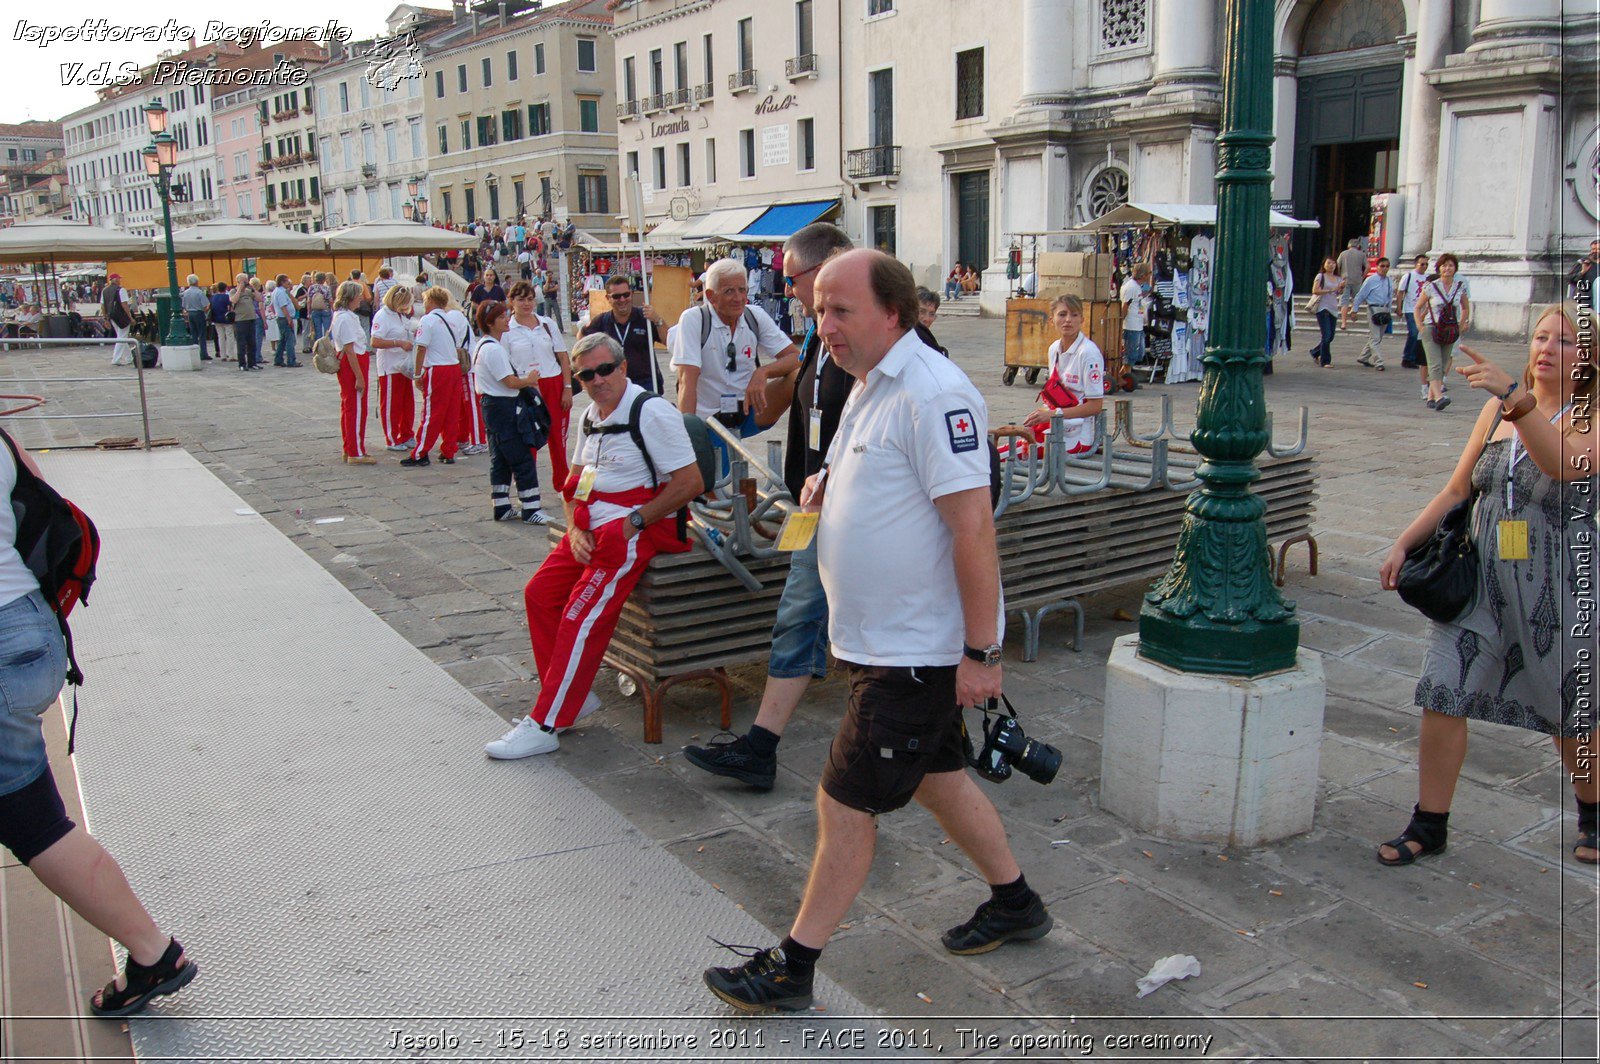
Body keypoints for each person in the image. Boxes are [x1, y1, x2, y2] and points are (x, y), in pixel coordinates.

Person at [702, 250, 1049, 1013]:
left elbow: (974, 531)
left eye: (840, 309)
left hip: (914, 654)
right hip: (873, 643)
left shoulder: (933, 392)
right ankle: (1016, 901)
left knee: (842, 800)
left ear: (893, 313)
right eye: (817, 309)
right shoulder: (866, 383)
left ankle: (794, 964)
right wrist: (834, 484)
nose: (823, 325)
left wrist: (982, 654)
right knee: (939, 779)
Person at [1376, 301, 1597, 867]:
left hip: (1559, 589)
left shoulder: (1587, 416)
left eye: (1565, 341)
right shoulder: (1498, 414)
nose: (1547, 348)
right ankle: (1430, 823)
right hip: (1483, 585)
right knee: (1442, 691)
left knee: (1567, 710)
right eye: (1542, 337)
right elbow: (1456, 491)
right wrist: (1404, 541)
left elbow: (1562, 466)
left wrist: (1516, 401)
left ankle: (1594, 811)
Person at [0, 430, 200, 1016]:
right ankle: (151, 952)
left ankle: (153, 950)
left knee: (35, 825)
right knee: (35, 819)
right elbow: (40, 497)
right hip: (30, 631)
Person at [686, 224, 853, 789]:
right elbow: (793, 389)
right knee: (801, 612)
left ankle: (763, 746)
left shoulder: (862, 339)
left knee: (803, 612)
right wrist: (767, 373)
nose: (786, 291)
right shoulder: (819, 334)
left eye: (791, 279)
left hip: (842, 506)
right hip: (812, 501)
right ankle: (763, 746)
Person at [484, 334, 704, 759]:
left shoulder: (651, 412)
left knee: (579, 616)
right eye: (586, 374)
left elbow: (690, 482)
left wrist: (633, 523)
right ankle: (572, 696)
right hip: (591, 527)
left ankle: (546, 722)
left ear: (623, 367)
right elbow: (576, 481)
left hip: (630, 532)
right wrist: (573, 527)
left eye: (605, 369)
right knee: (539, 595)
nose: (597, 380)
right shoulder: (591, 416)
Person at [669, 258, 800, 470]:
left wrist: (763, 372)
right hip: (709, 418)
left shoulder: (753, 315)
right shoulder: (695, 320)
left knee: (800, 376)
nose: (739, 298)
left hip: (747, 409)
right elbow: (687, 382)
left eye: (742, 290)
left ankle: (805, 451)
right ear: (710, 296)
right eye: (729, 291)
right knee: (716, 491)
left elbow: (797, 357)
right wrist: (689, 437)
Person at [472, 299, 549, 524]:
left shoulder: (483, 345)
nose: (507, 320)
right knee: (521, 457)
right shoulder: (493, 349)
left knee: (501, 458)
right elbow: (509, 381)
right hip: (504, 407)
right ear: (490, 322)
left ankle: (502, 504)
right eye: (501, 317)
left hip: (492, 407)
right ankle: (531, 508)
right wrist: (529, 380)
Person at [506, 279, 572, 492]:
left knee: (557, 439)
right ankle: (527, 486)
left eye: (530, 299)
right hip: (525, 386)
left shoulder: (547, 324)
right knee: (527, 438)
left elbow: (563, 357)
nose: (526, 304)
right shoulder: (506, 329)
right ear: (511, 301)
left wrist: (567, 388)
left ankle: (562, 485)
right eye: (521, 299)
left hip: (552, 382)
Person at [1023, 294, 1105, 454]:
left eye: (1074, 315)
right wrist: (1039, 417)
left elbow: (1096, 406)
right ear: (1051, 319)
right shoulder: (1054, 349)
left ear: (1082, 319)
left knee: (1011, 454)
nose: (1068, 320)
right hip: (1054, 425)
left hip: (1077, 436)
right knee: (1014, 443)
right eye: (1062, 314)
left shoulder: (1088, 353)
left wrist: (1053, 414)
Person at [404, 287, 466, 467]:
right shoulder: (451, 320)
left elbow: (421, 348)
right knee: (451, 412)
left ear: (430, 301)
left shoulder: (428, 320)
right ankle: (448, 450)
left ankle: (420, 452)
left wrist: (417, 374)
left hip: (438, 369)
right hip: (453, 367)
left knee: (432, 412)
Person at [580, 275, 668, 392]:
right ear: (608, 298)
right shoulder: (602, 321)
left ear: (631, 294)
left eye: (626, 295)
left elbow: (668, 341)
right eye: (616, 296)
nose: (622, 300)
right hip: (614, 383)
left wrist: (658, 320)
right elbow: (581, 337)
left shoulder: (645, 317)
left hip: (646, 382)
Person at [1415, 253, 1472, 411]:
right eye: (1444, 265)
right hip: (1431, 327)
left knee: (1444, 362)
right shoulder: (1431, 286)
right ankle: (1439, 396)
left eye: (1450, 265)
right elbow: (1418, 306)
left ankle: (1430, 397)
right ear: (1439, 268)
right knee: (1434, 363)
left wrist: (1461, 324)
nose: (1447, 268)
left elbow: (1466, 307)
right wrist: (1420, 325)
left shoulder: (1460, 287)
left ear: (1455, 268)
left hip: (1450, 329)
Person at [330, 281, 375, 464]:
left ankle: (351, 447)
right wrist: (359, 377)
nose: (361, 299)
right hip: (353, 363)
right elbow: (350, 350)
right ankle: (355, 451)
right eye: (358, 296)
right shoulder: (346, 318)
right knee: (355, 408)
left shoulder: (343, 316)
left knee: (351, 407)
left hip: (352, 361)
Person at [370, 285, 418, 453]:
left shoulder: (400, 315)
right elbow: (375, 341)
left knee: (407, 402)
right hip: (390, 366)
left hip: (404, 366)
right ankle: (392, 437)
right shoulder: (382, 316)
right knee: (392, 404)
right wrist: (398, 343)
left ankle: (406, 433)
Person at [1351, 257, 1394, 371]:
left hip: (1384, 310)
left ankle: (1363, 357)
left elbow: (1390, 297)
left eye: (1387, 266)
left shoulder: (1389, 280)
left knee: (1378, 337)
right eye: (1382, 266)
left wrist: (1389, 310)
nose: (1385, 269)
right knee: (1375, 337)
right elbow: (1360, 295)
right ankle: (1378, 361)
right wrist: (1354, 310)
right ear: (1377, 267)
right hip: (1373, 309)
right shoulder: (1371, 280)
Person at [1397, 254, 1430, 376]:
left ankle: (1414, 357)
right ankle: (1407, 357)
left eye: (1426, 264)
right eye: (1422, 264)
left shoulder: (1428, 278)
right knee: (1414, 332)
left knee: (1419, 334)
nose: (1424, 266)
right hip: (1410, 308)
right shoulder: (1408, 276)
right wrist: (1399, 307)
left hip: (1422, 309)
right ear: (1416, 264)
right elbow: (1400, 292)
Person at [1308, 257, 1342, 367]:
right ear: (1324, 265)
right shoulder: (1320, 276)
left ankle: (1315, 352)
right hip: (1322, 307)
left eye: (1333, 263)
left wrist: (1341, 288)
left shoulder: (1338, 278)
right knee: (1326, 335)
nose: (1331, 265)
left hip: (1333, 307)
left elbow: (1338, 293)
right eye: (1329, 263)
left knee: (1331, 336)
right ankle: (1325, 360)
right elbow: (1315, 290)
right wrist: (1330, 290)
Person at [1120, 262, 1151, 366]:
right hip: (1131, 326)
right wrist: (1121, 322)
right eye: (1149, 273)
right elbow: (1125, 305)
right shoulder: (1131, 287)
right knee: (1130, 357)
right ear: (1143, 275)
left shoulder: (1137, 286)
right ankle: (1123, 377)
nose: (1150, 276)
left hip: (1138, 325)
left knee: (1138, 354)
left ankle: (1123, 376)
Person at [1336, 237, 1368, 331]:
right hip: (1357, 279)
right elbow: (1368, 267)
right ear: (1358, 246)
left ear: (1348, 245)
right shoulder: (1362, 254)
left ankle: (1343, 323)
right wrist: (1363, 276)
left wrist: (1338, 276)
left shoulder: (1343, 254)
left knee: (1344, 301)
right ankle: (1353, 311)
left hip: (1345, 279)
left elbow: (1337, 265)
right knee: (1357, 299)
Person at [230, 273, 260, 371]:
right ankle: (242, 363)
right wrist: (239, 288)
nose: (245, 282)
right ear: (238, 281)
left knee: (252, 342)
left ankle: (252, 363)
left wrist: (253, 289)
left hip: (251, 319)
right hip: (240, 320)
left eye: (246, 280)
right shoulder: (233, 291)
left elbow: (260, 299)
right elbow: (233, 300)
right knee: (241, 343)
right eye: (243, 280)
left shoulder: (248, 291)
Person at [102, 274, 134, 366]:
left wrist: (105, 318)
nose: (120, 280)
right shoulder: (121, 290)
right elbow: (124, 305)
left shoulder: (104, 291)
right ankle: (116, 358)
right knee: (122, 337)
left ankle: (129, 358)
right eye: (119, 279)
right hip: (121, 315)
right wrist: (130, 317)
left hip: (111, 316)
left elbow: (103, 306)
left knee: (122, 335)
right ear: (115, 280)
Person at [180, 274, 210, 362]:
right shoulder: (199, 292)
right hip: (199, 313)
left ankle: (195, 352)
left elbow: (184, 306)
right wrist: (205, 310)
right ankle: (203, 353)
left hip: (190, 313)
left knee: (193, 333)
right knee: (202, 334)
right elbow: (206, 305)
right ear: (197, 282)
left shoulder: (185, 293)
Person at [271, 274, 299, 367]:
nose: (289, 283)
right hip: (284, 318)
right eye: (287, 281)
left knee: (282, 340)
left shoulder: (278, 291)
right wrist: (289, 319)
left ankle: (278, 359)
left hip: (281, 318)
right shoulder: (281, 292)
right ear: (282, 282)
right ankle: (291, 360)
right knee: (289, 340)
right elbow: (283, 307)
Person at [1566, 238, 1598, 307]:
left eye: (1598, 249)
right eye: (1593, 249)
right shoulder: (1583, 262)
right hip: (1586, 299)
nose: (1595, 251)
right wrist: (1582, 272)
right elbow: (1569, 278)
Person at [209, 282, 234, 364]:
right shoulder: (227, 297)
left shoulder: (213, 298)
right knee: (229, 336)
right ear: (225, 288)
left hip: (216, 319)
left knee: (221, 337)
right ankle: (231, 355)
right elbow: (229, 308)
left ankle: (222, 354)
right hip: (226, 319)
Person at [307, 272, 333, 346]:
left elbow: (309, 301)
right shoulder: (327, 288)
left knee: (317, 330)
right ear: (324, 279)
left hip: (315, 310)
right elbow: (330, 300)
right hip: (325, 309)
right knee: (327, 329)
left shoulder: (311, 287)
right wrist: (333, 310)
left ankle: (318, 346)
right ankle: (328, 345)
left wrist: (308, 312)